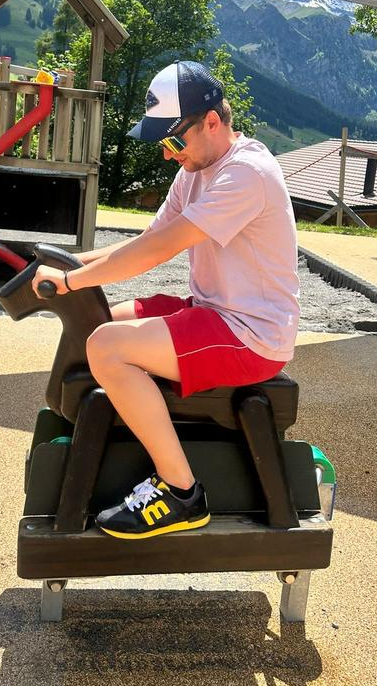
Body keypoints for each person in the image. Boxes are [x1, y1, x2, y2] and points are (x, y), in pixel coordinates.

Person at [32, 60, 299, 540]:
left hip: (252, 336)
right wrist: (69, 264)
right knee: (102, 322)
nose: (167, 153)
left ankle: (181, 492)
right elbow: (147, 239)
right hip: (214, 313)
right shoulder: (195, 169)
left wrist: (70, 281)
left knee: (107, 347)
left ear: (212, 121)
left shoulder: (246, 174)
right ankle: (102, 437)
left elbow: (158, 252)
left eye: (174, 141)